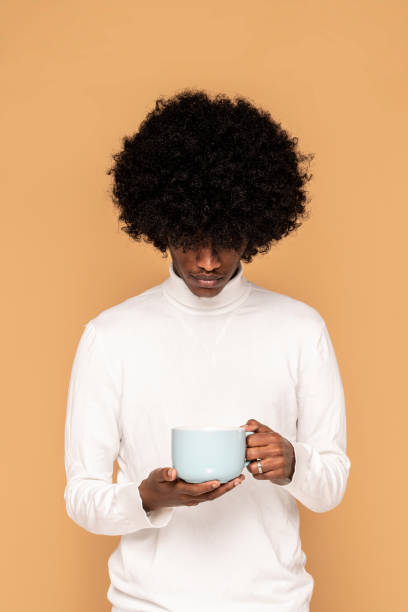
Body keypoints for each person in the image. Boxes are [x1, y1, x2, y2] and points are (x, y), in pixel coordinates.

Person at [63, 89, 351, 612]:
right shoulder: (111, 336)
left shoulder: (300, 328)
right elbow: (82, 495)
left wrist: (293, 463)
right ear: (160, 224)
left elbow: (330, 484)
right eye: (188, 237)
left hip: (274, 604)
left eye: (226, 238)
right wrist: (149, 499)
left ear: (256, 227)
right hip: (147, 604)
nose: (207, 261)